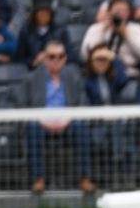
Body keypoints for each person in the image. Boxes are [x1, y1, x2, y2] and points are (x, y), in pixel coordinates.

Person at [20, 40, 94, 195]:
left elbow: (82, 102)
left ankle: (85, 179)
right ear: (45, 58)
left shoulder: (73, 77)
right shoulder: (32, 78)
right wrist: (40, 119)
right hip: (41, 121)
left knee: (81, 128)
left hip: (68, 120)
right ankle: (38, 179)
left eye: (61, 56)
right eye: (52, 56)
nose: (56, 60)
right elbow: (23, 105)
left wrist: (69, 118)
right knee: (32, 128)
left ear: (65, 58)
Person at [82, 46, 139, 184]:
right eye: (98, 60)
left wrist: (114, 58)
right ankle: (119, 171)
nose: (101, 63)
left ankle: (120, 172)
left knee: (121, 129)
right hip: (97, 124)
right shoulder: (86, 80)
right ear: (91, 61)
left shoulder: (113, 77)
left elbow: (125, 80)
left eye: (105, 60)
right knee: (118, 132)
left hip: (115, 123)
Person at [82, 0, 140, 80]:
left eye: (125, 11)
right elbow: (84, 54)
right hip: (100, 71)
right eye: (117, 10)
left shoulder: (136, 29)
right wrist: (103, 31)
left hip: (128, 72)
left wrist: (127, 35)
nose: (121, 14)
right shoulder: (96, 28)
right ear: (109, 11)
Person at [17, 0, 73, 68]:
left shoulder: (61, 31)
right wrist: (34, 62)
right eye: (41, 12)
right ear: (35, 13)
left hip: (59, 71)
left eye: (47, 11)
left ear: (51, 13)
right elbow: (20, 59)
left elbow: (71, 55)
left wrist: (56, 57)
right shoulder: (26, 31)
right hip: (33, 73)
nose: (44, 14)